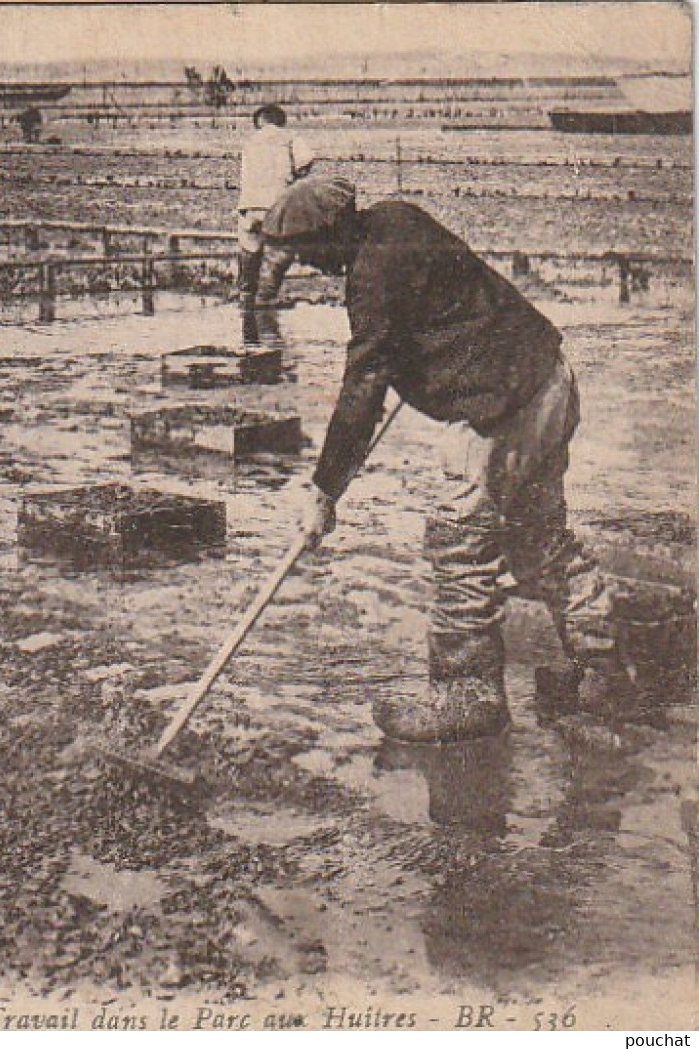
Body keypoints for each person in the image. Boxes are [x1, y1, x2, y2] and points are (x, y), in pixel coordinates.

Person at [266, 175, 644, 744]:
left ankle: (466, 695)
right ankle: (604, 668)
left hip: (503, 406)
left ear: (333, 232)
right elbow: (439, 309)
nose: (305, 265)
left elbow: (364, 383)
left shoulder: (372, 275)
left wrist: (325, 491)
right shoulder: (397, 217)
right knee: (537, 539)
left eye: (306, 251)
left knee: (459, 542)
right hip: (548, 377)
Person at [236, 104, 314, 309]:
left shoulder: (250, 141)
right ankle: (266, 298)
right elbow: (306, 160)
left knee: (250, 248)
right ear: (281, 121)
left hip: (249, 203)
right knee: (279, 250)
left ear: (260, 122)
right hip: (277, 202)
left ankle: (245, 295)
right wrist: (296, 178)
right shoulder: (289, 137)